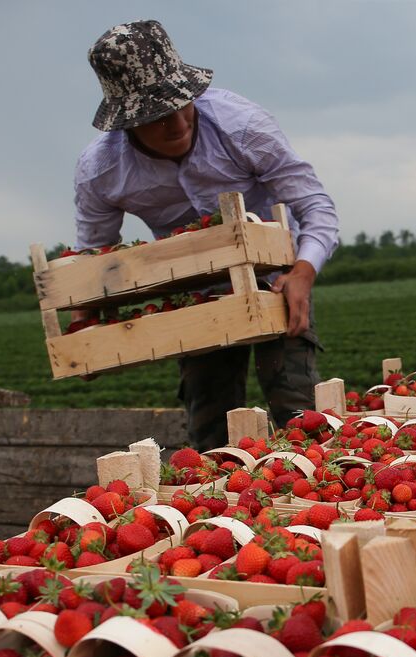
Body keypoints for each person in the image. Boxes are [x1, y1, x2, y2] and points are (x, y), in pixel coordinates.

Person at [74, 20, 339, 451]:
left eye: (182, 103)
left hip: (276, 278)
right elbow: (94, 261)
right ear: (126, 122)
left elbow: (315, 207)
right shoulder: (102, 171)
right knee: (210, 424)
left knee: (296, 406)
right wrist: (85, 333)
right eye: (157, 115)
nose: (177, 121)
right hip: (195, 296)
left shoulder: (241, 126)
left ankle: (311, 481)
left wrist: (304, 273)